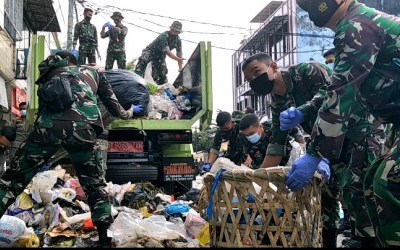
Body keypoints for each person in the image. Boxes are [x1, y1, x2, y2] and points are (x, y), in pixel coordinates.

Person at [0, 50, 142, 247]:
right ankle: (104, 240)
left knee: (11, 181)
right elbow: (114, 108)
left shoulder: (49, 76)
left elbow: (43, 112)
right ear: (75, 62)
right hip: (84, 131)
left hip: (47, 130)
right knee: (95, 186)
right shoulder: (92, 73)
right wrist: (130, 112)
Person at [290, 0, 400, 247]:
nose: (310, 7)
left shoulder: (356, 26)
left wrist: (315, 153)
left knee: (389, 182)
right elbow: (337, 90)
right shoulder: (356, 24)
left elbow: (341, 94)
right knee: (371, 182)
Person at [242, 53, 342, 246]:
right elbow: (276, 145)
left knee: (361, 204)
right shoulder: (277, 103)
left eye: (257, 72)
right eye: (249, 79)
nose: (254, 80)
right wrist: (256, 180)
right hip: (322, 148)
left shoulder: (308, 72)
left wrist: (315, 153)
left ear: (273, 66)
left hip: (350, 138)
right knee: (326, 207)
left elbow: (333, 101)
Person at [134, 21, 185, 85]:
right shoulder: (163, 36)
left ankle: (162, 87)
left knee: (162, 72)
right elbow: (167, 51)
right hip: (150, 51)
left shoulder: (178, 40)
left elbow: (179, 55)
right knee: (142, 63)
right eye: (172, 30)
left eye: (176, 31)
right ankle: (135, 81)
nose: (174, 32)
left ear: (179, 32)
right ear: (170, 29)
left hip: (160, 56)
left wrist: (180, 68)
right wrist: (177, 59)